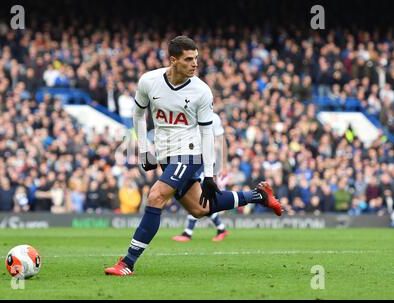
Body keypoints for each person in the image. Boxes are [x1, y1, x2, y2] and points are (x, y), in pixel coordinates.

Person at [105, 36, 283, 276]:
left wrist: (209, 174)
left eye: (196, 59)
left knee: (156, 196)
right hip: (165, 154)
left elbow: (207, 134)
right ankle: (259, 195)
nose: (194, 64)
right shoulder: (149, 81)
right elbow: (138, 114)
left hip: (190, 152)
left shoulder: (201, 91)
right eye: (189, 59)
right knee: (200, 209)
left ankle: (127, 262)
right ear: (173, 60)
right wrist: (145, 148)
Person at [172, 112, 230, 242]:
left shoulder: (213, 117)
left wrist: (224, 165)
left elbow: (222, 142)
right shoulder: (187, 115)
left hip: (206, 162)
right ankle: (221, 228)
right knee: (199, 197)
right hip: (191, 160)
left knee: (198, 196)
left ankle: (188, 232)